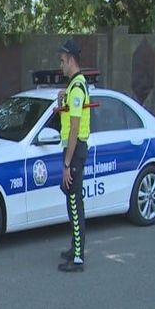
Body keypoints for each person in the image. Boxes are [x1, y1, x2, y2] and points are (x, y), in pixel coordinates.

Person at [57, 39, 90, 273]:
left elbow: (75, 129)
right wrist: (62, 98)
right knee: (71, 200)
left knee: (75, 203)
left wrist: (67, 163)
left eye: (62, 61)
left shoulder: (77, 88)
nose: (60, 65)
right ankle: (75, 247)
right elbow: (68, 117)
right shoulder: (73, 87)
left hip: (75, 150)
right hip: (73, 150)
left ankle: (78, 257)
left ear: (71, 60)